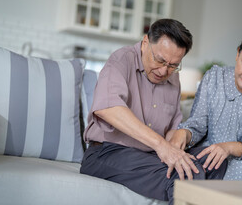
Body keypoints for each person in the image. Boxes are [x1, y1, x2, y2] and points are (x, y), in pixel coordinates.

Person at [80, 19, 227, 204]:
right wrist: (162, 146)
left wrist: (175, 147)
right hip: (107, 152)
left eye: (173, 65)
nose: (164, 70)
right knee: (185, 176)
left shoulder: (173, 78)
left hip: (148, 156)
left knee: (210, 162)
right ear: (145, 43)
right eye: (160, 60)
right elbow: (107, 108)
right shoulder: (121, 59)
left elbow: (172, 128)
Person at [170, 29, 242, 180]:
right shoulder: (214, 77)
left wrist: (231, 147)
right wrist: (185, 132)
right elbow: (198, 122)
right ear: (238, 53)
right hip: (214, 159)